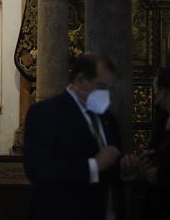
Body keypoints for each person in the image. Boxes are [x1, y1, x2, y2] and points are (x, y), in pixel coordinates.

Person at [23, 53, 139, 220]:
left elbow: (110, 167)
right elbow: (38, 169)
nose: (106, 94)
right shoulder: (45, 112)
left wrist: (125, 170)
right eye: (101, 86)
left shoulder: (107, 118)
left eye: (109, 88)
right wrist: (93, 165)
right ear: (80, 80)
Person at [138, 67, 170, 219]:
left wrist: (160, 174)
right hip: (157, 198)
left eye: (156, 89)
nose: (155, 94)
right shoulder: (162, 116)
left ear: (164, 91)